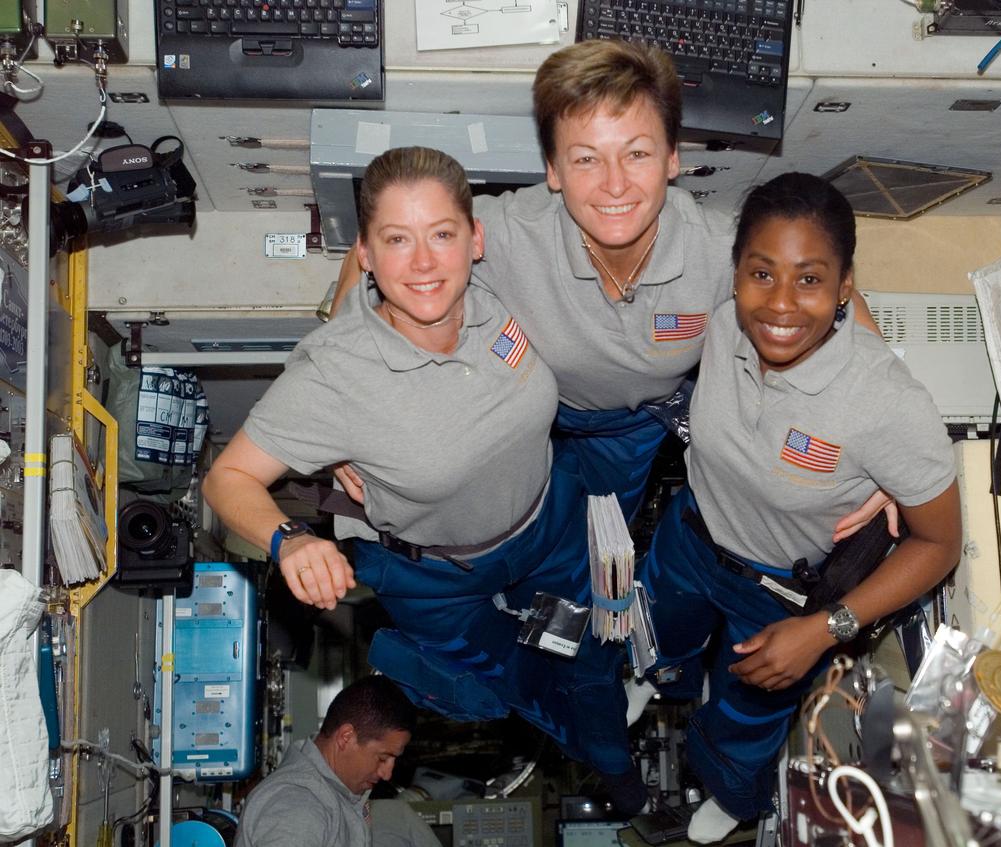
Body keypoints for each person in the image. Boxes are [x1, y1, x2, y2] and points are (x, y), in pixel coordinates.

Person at [203, 146, 643, 812]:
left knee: (592, 655)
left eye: (442, 234)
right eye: (396, 241)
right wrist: (289, 540)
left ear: (476, 240)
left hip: (543, 525)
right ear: (370, 254)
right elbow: (226, 477)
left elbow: (613, 192)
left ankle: (616, 769)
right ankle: (421, 660)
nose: (425, 263)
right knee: (506, 691)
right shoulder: (337, 375)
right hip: (437, 573)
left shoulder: (502, 284)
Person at [332, 40, 888, 532]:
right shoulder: (504, 231)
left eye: (637, 153)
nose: (615, 184)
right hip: (518, 398)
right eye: (586, 159)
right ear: (552, 170)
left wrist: (886, 448)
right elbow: (374, 253)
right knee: (502, 515)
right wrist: (347, 410)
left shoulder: (721, 250)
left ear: (672, 158)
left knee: (601, 534)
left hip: (630, 421)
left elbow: (836, 301)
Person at [637, 173, 964, 842]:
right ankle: (652, 677)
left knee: (749, 708)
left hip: (780, 589)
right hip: (694, 535)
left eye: (810, 280)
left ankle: (731, 790)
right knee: (655, 628)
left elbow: (940, 545)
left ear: (845, 286)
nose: (780, 304)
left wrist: (826, 629)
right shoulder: (723, 317)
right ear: (734, 273)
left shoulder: (885, 402)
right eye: (762, 273)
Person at [235, 675, 415, 847]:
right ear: (346, 737)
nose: (387, 774)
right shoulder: (299, 805)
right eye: (383, 758)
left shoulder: (335, 795)